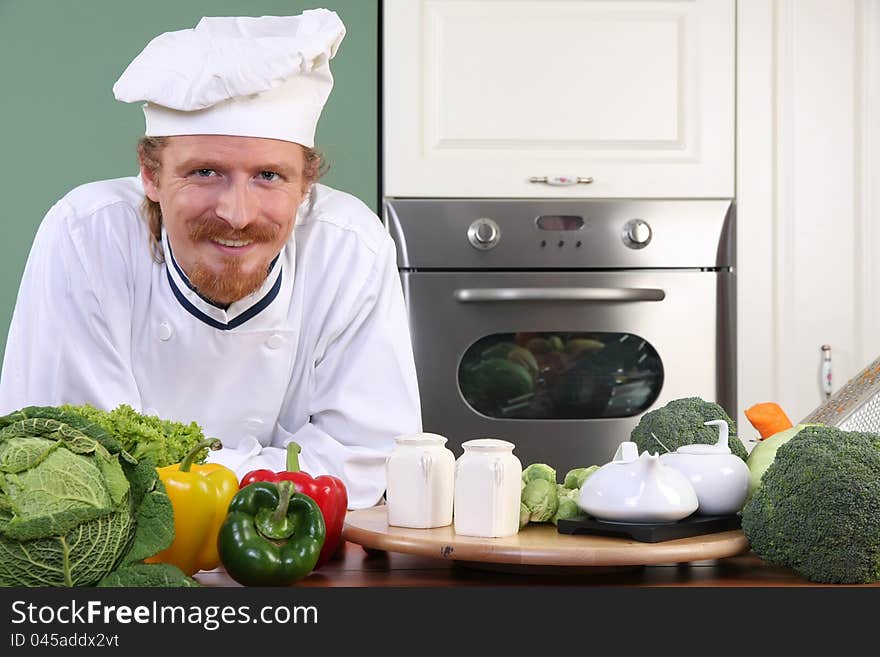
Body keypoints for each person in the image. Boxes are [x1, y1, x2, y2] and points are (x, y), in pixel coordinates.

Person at [0, 9, 422, 509]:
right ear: (151, 175)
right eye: (204, 172)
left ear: (306, 185)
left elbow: (368, 461)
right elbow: (74, 469)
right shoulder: (85, 236)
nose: (237, 214)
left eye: (268, 176)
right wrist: (276, 472)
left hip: (288, 559)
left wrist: (181, 479)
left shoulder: (350, 248)